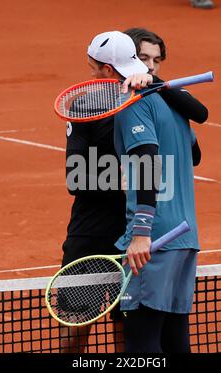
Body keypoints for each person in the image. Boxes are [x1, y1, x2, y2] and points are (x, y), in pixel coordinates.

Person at [60, 29, 207, 353]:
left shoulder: (156, 99)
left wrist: (142, 186)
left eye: (156, 61)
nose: (150, 67)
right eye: (144, 59)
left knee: (131, 332)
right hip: (95, 233)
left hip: (139, 233)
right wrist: (129, 179)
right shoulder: (87, 105)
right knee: (77, 325)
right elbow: (76, 179)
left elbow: (190, 153)